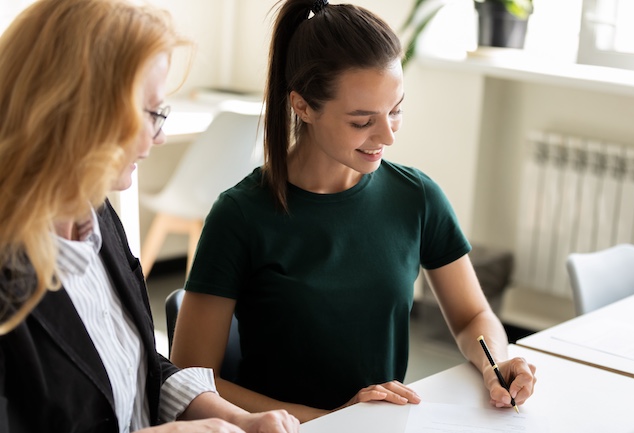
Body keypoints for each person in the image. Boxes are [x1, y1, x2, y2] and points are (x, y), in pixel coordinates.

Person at [170, 0, 537, 424]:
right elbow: (191, 380)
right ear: (303, 106)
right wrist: (331, 419)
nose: (387, 136)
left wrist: (496, 365)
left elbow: (473, 315)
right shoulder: (240, 216)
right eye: (362, 121)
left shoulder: (416, 197)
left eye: (395, 111)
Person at [0, 0, 300, 432]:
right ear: (81, 110)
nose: (159, 137)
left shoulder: (97, 215)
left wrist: (238, 419)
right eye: (151, 113)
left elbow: (137, 367)